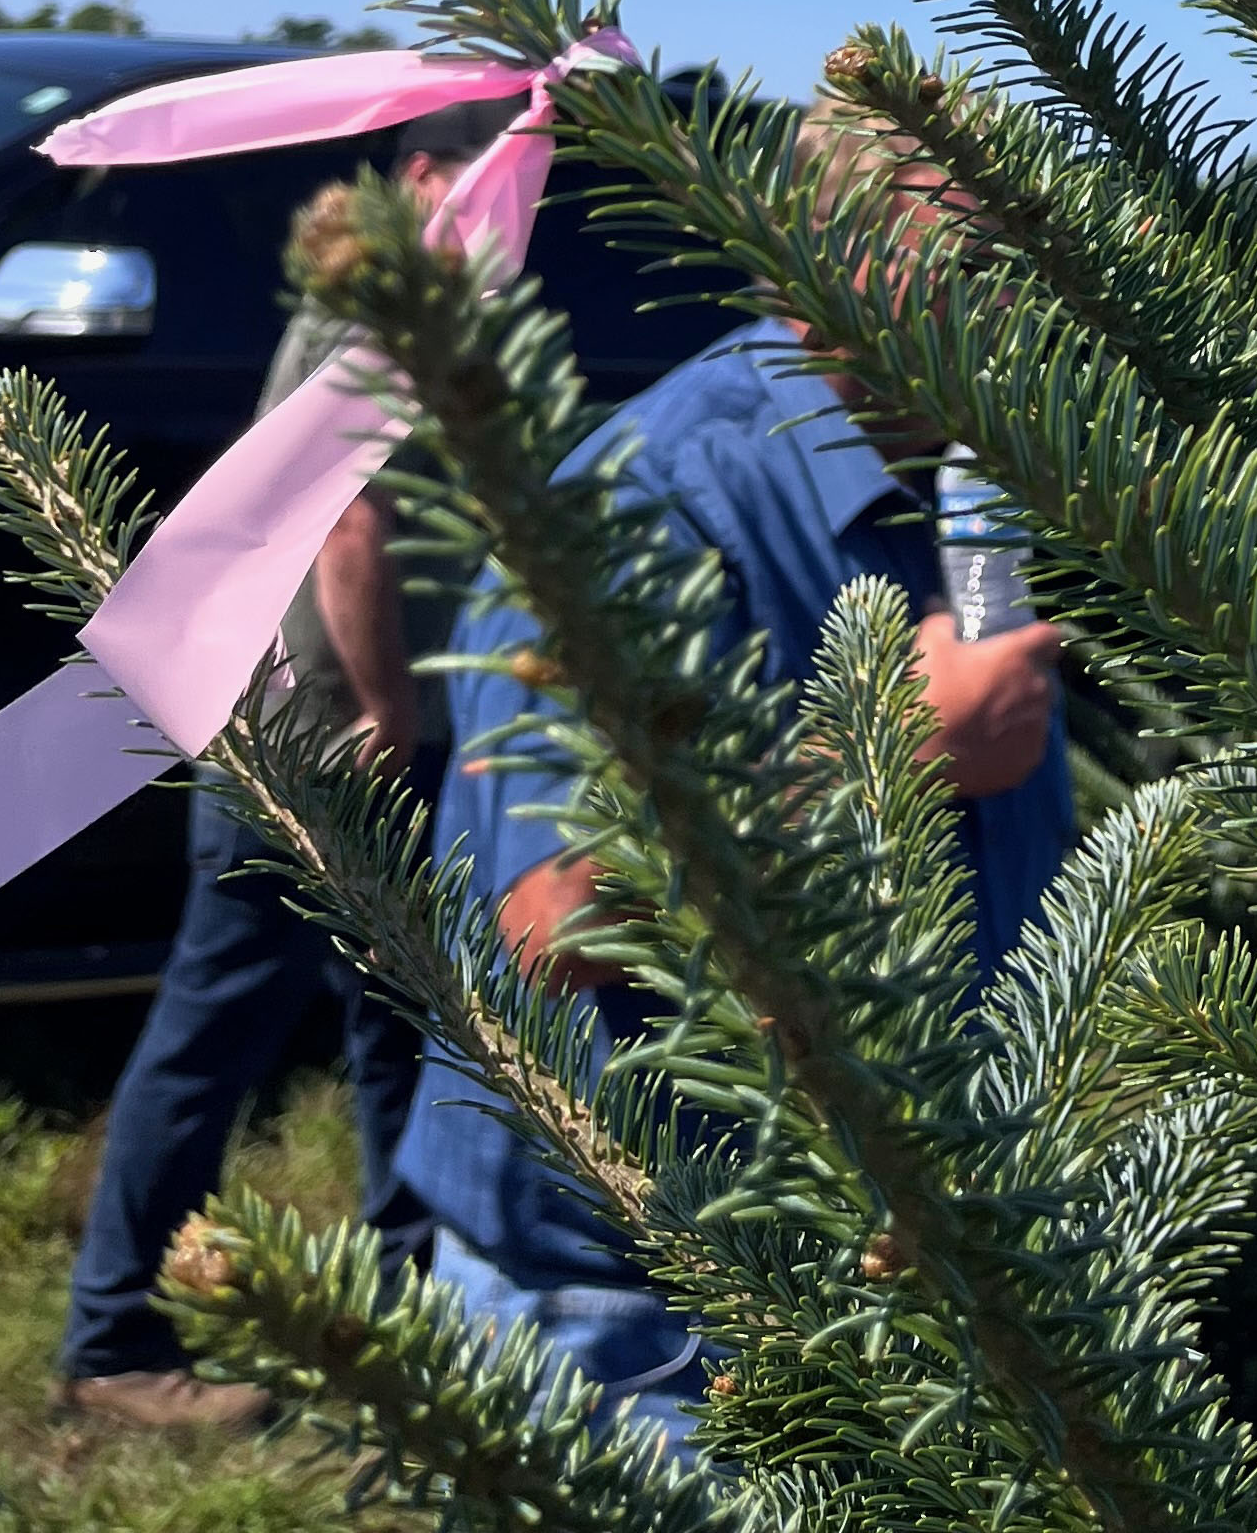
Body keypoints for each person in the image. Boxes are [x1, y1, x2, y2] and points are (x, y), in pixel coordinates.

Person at [397, 115, 1072, 1442]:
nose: (1026, 313)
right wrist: (890, 747)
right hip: (649, 1323)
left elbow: (993, 657)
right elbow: (542, 927)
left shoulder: (961, 472)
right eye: (979, 271)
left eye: (1033, 269)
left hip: (901, 1266)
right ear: (821, 250)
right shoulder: (649, 503)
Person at [53, 180, 453, 1433]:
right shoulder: (372, 300)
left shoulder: (400, 291)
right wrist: (384, 705)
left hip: (315, 727)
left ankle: (411, 1317)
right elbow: (345, 510)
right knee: (219, 1023)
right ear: (425, 172)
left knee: (399, 1025)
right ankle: (112, 1340)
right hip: (315, 742)